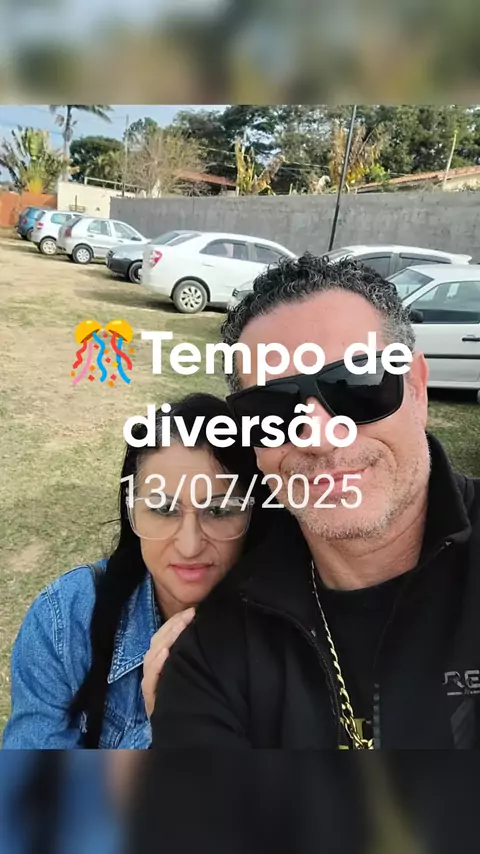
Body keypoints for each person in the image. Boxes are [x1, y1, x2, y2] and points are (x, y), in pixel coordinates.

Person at [145, 253, 480, 751]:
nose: (319, 437)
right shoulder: (212, 653)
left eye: (357, 386)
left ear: (416, 389)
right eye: (273, 409)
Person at [2, 393, 266, 749]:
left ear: (252, 514)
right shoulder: (65, 620)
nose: (190, 545)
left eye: (219, 511)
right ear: (131, 513)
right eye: (163, 509)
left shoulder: (292, 642)